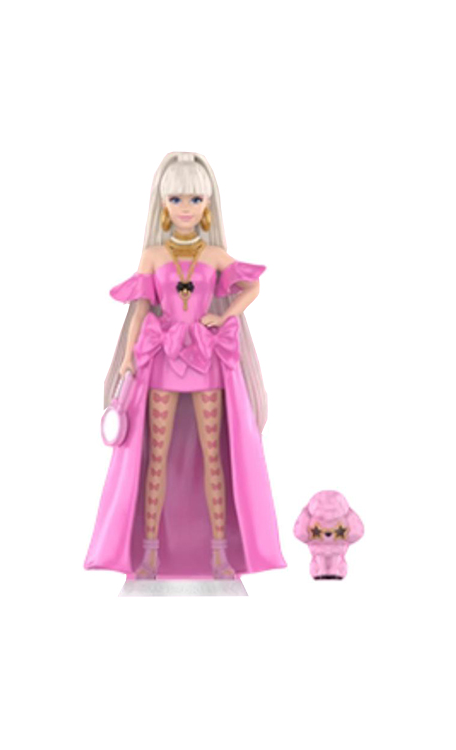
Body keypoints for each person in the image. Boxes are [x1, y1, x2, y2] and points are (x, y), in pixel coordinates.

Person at [84, 151, 286, 580]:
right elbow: (140, 310)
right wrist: (127, 357)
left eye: (195, 199)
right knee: (156, 457)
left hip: (205, 359)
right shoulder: (153, 256)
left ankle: (219, 553)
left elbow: (252, 286)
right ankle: (150, 553)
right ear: (163, 204)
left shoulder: (214, 255)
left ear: (208, 204)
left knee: (213, 456)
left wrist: (225, 317)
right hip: (162, 360)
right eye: (177, 199)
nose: (186, 208)